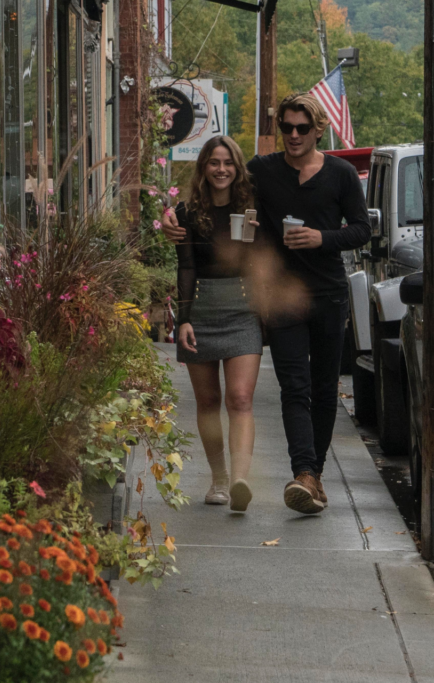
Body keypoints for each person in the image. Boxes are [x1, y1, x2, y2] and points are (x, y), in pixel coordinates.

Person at [162, 93, 371, 515]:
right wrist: (172, 216)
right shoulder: (263, 170)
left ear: (318, 130)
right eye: (287, 128)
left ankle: (314, 475)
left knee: (324, 386)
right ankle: (303, 474)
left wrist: (322, 238)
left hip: (329, 293)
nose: (293, 135)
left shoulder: (342, 174)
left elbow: (363, 230)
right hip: (280, 299)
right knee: (294, 386)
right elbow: (219, 186)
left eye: (302, 128)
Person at [173, 136, 263, 513]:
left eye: (228, 162)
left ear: (238, 167)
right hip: (202, 309)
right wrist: (184, 319)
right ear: (203, 167)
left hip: (243, 308)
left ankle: (241, 482)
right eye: (214, 162)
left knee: (240, 398)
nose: (221, 169)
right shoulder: (187, 211)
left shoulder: (254, 207)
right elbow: (187, 266)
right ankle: (220, 481)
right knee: (208, 400)